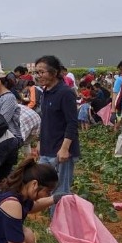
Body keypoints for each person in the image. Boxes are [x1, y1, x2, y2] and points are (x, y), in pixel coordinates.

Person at [34, 55, 79, 211]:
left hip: (61, 150)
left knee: (61, 189)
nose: (38, 76)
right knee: (45, 185)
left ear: (54, 72)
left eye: (42, 72)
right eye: (37, 72)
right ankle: (55, 221)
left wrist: (65, 148)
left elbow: (72, 123)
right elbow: (45, 120)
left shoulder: (65, 93)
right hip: (47, 147)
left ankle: (61, 225)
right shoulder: (45, 92)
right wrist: (40, 142)